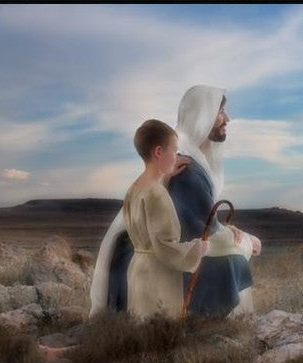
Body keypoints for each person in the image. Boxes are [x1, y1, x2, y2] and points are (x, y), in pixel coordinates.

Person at [90, 85, 262, 318]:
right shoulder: (187, 170)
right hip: (162, 264)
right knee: (235, 262)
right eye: (221, 110)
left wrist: (227, 232)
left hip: (146, 260)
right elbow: (199, 234)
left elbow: (197, 219)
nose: (227, 118)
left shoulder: (180, 165)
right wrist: (246, 242)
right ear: (204, 114)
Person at [120, 119, 209, 320]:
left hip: (138, 270)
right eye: (175, 150)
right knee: (159, 333)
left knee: (141, 328)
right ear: (159, 152)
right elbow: (165, 248)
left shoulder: (134, 188)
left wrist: (165, 176)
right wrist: (198, 249)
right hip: (157, 276)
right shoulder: (157, 193)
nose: (177, 156)